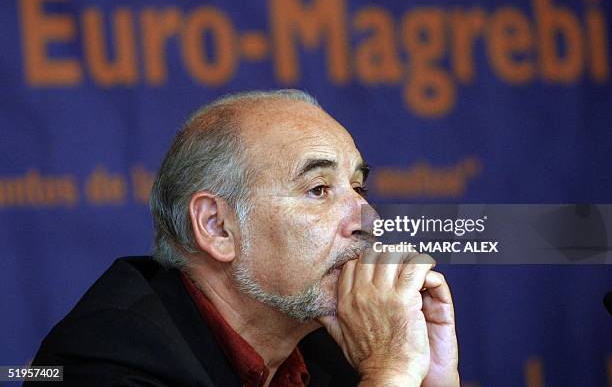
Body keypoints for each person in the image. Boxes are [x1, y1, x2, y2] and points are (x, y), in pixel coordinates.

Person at [29, 90, 459, 386]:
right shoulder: (105, 358)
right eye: (319, 189)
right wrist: (390, 374)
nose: (368, 219)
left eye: (359, 188)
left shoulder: (333, 350)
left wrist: (429, 380)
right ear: (217, 227)